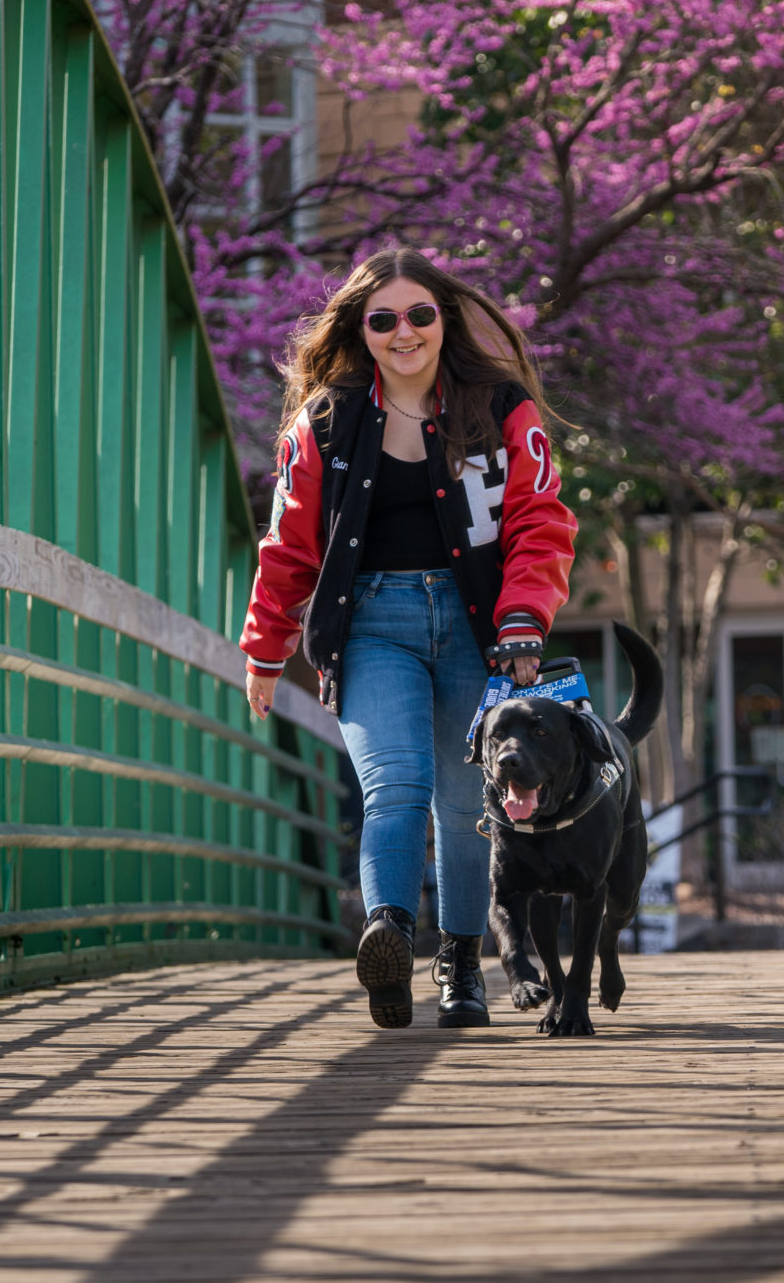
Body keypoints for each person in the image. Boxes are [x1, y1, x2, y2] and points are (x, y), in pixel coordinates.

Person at [239, 249, 577, 1030]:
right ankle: (387, 933)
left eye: (419, 315)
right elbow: (289, 544)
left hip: (477, 630)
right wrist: (267, 649)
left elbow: (541, 522)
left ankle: (460, 963)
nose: (403, 332)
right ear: (361, 330)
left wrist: (524, 619)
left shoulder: (499, 408)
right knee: (394, 786)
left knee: (467, 805)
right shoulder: (324, 420)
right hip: (371, 629)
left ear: (443, 320)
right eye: (382, 318)